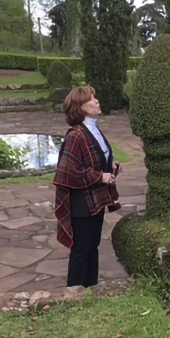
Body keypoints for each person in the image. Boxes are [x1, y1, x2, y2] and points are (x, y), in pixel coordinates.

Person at [53, 86, 122, 288]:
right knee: (82, 251)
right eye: (91, 99)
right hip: (82, 205)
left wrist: (110, 167)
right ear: (80, 107)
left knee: (93, 248)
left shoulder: (93, 130)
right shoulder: (76, 135)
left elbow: (93, 160)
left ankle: (90, 291)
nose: (96, 101)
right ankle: (73, 295)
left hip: (95, 202)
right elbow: (68, 171)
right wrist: (100, 176)